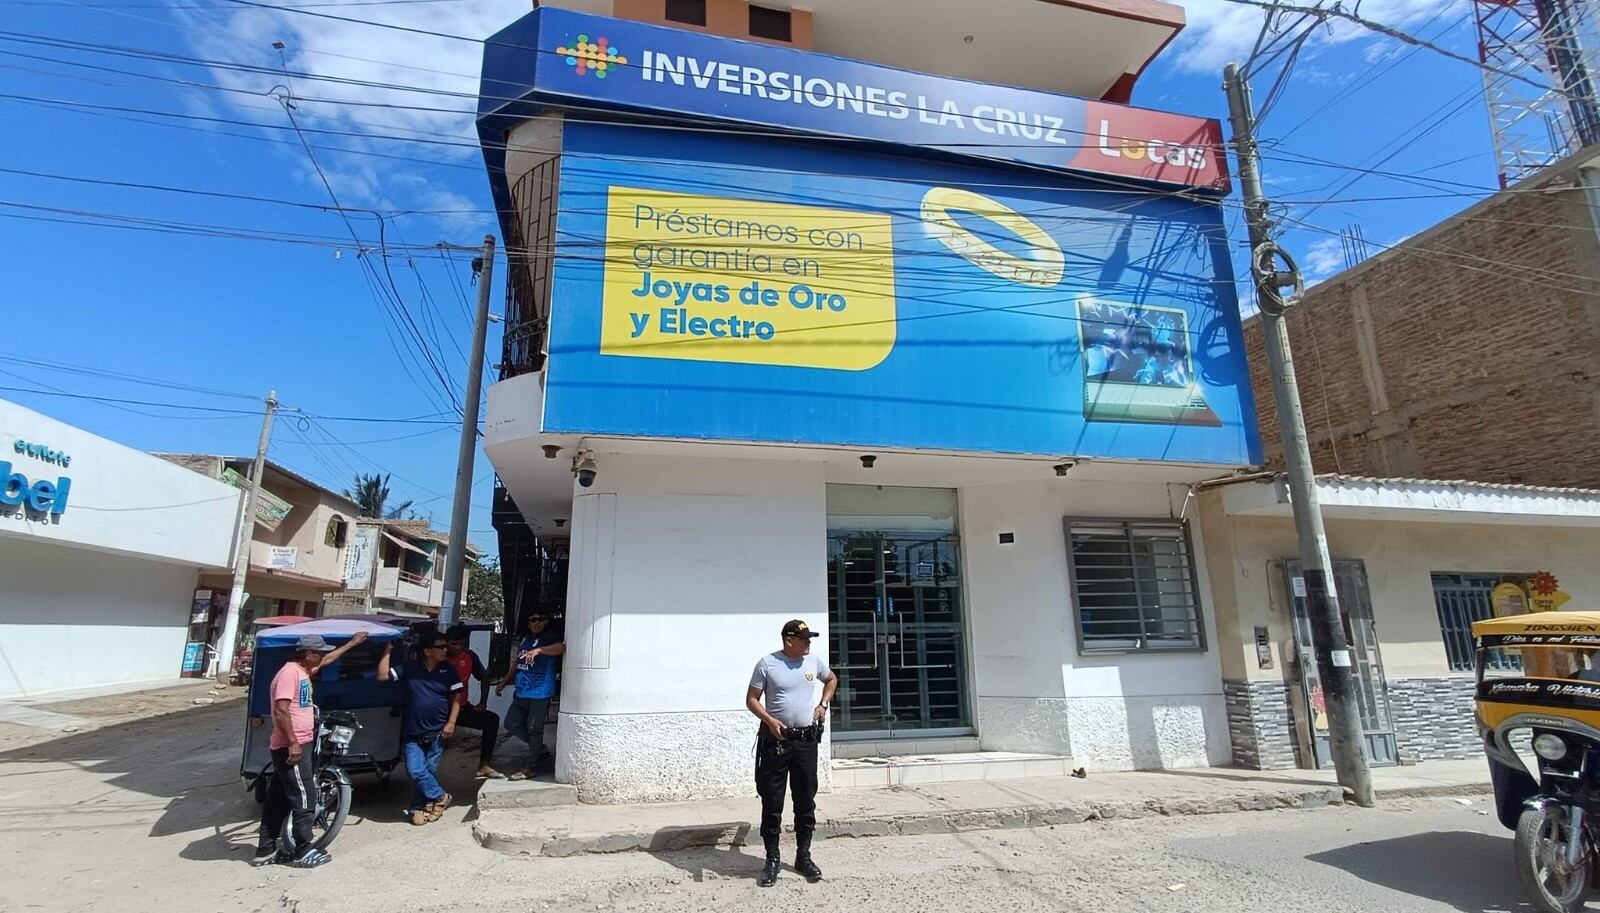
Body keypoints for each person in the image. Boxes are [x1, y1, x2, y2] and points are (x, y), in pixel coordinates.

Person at [253, 630, 369, 868]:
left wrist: (352, 643)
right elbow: (281, 710)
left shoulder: (302, 671)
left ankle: (265, 850)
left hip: (297, 742)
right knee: (305, 796)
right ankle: (303, 850)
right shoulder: (289, 674)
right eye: (319, 653)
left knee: (278, 799)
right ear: (307, 653)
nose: (322, 657)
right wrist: (293, 742)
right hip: (291, 746)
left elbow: (327, 660)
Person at [746, 619, 837, 888]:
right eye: (804, 638)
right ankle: (772, 858)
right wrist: (769, 720)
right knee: (772, 802)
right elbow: (751, 699)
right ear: (788, 639)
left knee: (805, 799)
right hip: (777, 743)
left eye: (809, 638)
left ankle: (803, 856)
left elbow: (831, 679)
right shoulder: (767, 664)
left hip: (805, 742)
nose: (809, 642)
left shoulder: (813, 663)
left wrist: (823, 704)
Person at [377, 630, 463, 825]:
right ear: (427, 651)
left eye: (445, 646)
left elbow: (457, 697)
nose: (445, 650)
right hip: (413, 731)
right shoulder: (410, 669)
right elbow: (382, 676)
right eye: (440, 647)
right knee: (416, 771)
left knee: (429, 771)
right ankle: (440, 797)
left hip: (439, 731)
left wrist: (452, 722)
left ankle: (418, 808)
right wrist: (387, 650)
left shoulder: (449, 671)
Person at [494, 612, 564, 780]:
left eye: (541, 619)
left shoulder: (549, 637)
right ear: (528, 623)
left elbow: (561, 648)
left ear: (547, 621)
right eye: (533, 620)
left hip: (540, 693)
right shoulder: (525, 639)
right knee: (511, 723)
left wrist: (540, 650)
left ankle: (530, 767)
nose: (537, 623)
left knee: (534, 729)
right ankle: (537, 747)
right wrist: (505, 680)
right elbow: (517, 662)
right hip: (522, 691)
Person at [444, 624, 504, 779]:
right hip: (440, 712)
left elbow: (484, 676)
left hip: (461, 709)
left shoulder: (469, 656)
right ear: (446, 642)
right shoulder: (439, 657)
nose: (458, 648)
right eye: (453, 644)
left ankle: (484, 765)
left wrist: (483, 702)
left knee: (491, 720)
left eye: (461, 644)